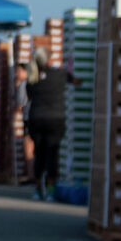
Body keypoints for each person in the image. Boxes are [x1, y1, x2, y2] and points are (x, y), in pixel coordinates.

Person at [26, 58, 70, 201]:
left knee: (39, 154)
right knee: (52, 154)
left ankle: (38, 189)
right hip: (55, 119)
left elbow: (28, 96)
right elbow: (73, 79)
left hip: (37, 119)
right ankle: (50, 189)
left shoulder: (32, 79)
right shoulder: (59, 75)